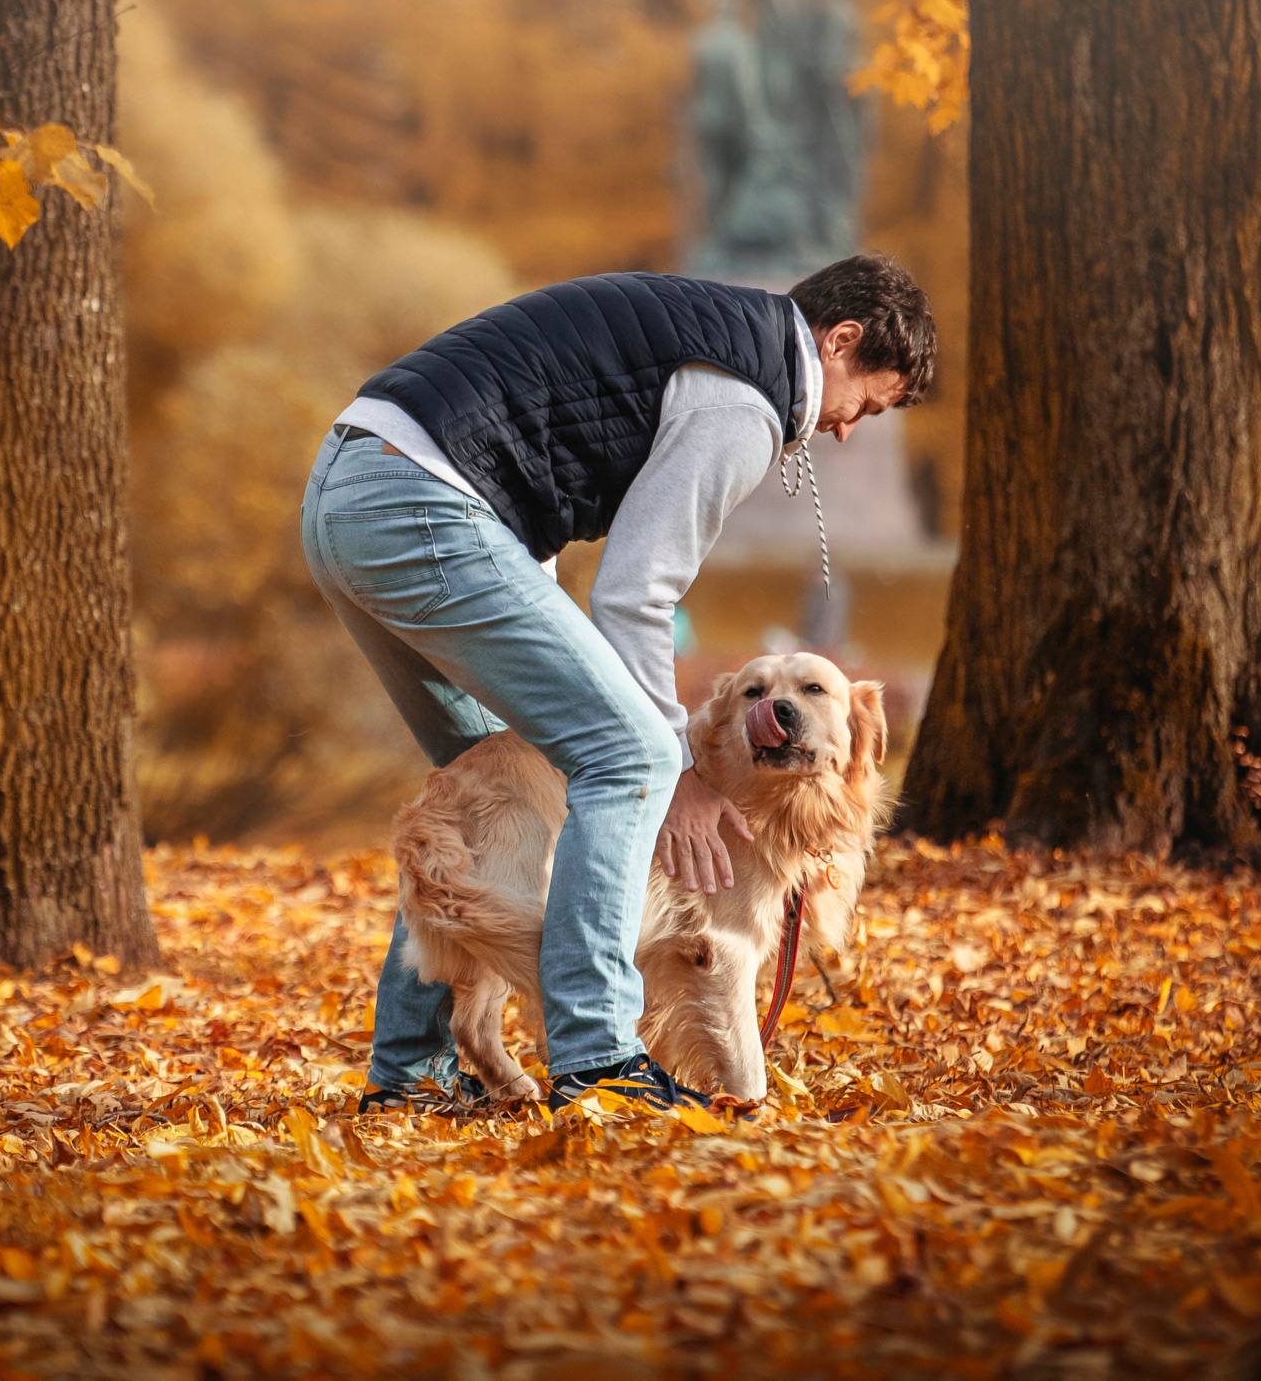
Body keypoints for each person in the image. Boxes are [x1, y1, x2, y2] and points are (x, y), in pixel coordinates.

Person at [300, 254, 937, 1111]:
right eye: (868, 400)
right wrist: (675, 768)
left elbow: (536, 487)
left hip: (348, 491)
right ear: (841, 341)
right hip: (418, 503)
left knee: (496, 781)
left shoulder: (707, 332)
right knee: (630, 749)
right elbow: (636, 592)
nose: (850, 427)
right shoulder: (746, 401)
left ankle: (410, 1076)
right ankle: (599, 1058)